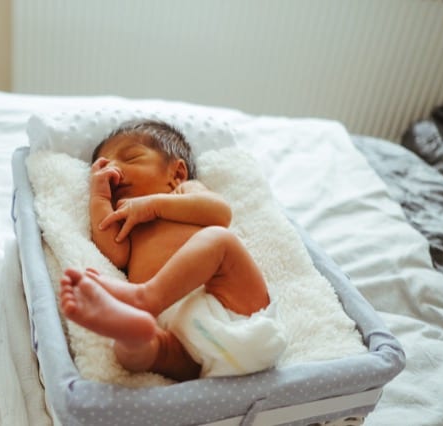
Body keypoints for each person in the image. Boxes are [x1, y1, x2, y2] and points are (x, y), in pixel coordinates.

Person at [59, 119, 286, 381]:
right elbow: (115, 253)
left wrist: (154, 206)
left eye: (131, 158)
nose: (114, 170)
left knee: (221, 241)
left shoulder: (184, 192)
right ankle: (133, 334)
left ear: (176, 173)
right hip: (191, 347)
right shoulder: (126, 220)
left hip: (236, 308)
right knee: (136, 354)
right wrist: (99, 197)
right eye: (104, 167)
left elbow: (220, 213)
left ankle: (145, 297)